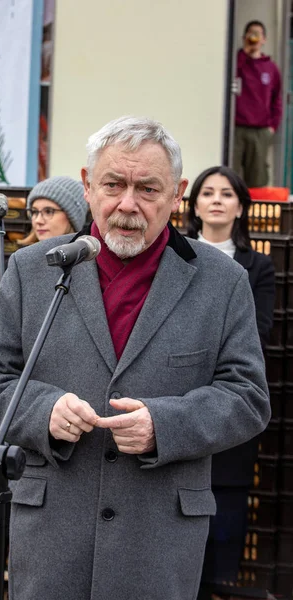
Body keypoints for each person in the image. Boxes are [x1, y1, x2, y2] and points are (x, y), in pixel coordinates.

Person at [0, 116, 270, 600]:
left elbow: (248, 398)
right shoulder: (33, 270)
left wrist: (164, 425)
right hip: (52, 535)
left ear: (177, 194)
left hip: (158, 540)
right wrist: (43, 411)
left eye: (148, 189)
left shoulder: (222, 281)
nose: (127, 204)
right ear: (88, 186)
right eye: (113, 184)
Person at [186, 166, 275, 599]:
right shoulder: (177, 255)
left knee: (224, 508)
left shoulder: (258, 266)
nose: (217, 200)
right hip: (175, 395)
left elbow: (256, 334)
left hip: (229, 396)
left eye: (226, 193)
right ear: (194, 202)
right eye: (207, 192)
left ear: (241, 205)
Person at [233, 20, 282, 188]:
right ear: (244, 37)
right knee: (230, 173)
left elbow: (277, 100)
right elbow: (231, 75)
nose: (254, 37)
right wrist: (245, 52)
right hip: (237, 128)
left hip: (261, 131)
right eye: (251, 33)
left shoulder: (271, 68)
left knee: (257, 179)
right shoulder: (238, 61)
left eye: (258, 34)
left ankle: (254, 212)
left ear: (264, 39)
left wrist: (272, 127)